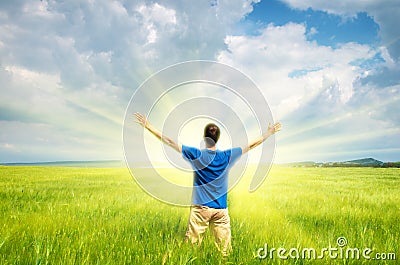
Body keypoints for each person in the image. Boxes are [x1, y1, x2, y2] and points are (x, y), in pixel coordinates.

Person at [134, 112, 281, 256]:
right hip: (221, 210)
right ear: (217, 138)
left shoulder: (196, 154)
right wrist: (269, 133)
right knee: (224, 251)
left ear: (205, 138)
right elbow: (251, 145)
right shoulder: (226, 156)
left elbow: (170, 142)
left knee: (190, 249)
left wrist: (148, 126)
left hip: (200, 209)